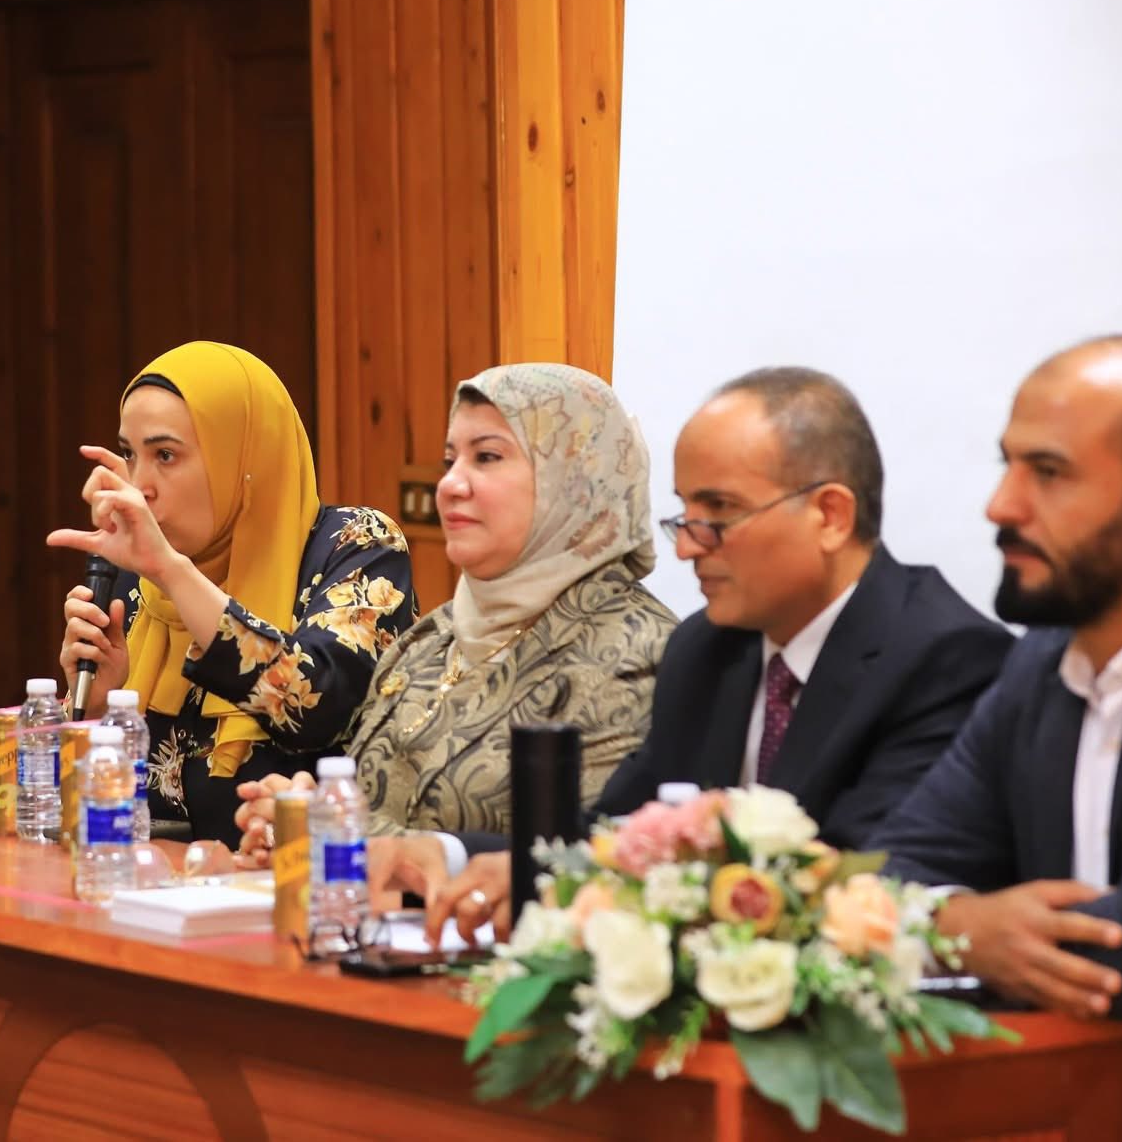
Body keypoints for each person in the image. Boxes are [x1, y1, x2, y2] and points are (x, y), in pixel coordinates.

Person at [420, 367, 1011, 941]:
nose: (686, 548)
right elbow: (613, 836)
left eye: (719, 514)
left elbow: (855, 885)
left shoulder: (942, 659)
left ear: (830, 516)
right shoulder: (706, 649)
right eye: (685, 515)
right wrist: (450, 855)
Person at [879, 334, 1122, 1142]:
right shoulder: (1041, 665)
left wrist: (952, 932)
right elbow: (885, 876)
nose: (1001, 505)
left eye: (1049, 472)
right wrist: (967, 928)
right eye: (1008, 464)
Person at [234, 364, 673, 858]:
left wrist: (331, 830)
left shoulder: (641, 659)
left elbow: (578, 862)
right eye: (450, 460)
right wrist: (302, 812)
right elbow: (369, 805)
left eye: (487, 457)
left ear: (575, 479)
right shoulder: (430, 639)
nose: (449, 485)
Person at [48, 341, 416, 843]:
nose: (140, 485)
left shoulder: (356, 545)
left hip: (296, 878)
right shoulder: (139, 586)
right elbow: (74, 813)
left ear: (245, 460)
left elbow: (313, 706)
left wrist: (172, 572)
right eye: (130, 455)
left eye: (165, 455)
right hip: (149, 883)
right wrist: (96, 709)